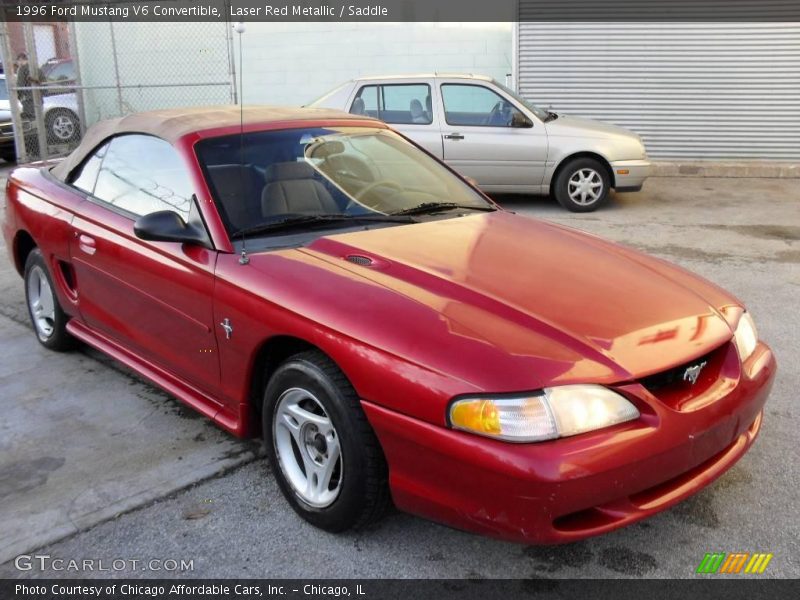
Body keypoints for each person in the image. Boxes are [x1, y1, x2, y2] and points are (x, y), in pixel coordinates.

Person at [15, 53, 37, 119]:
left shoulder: (22, 69)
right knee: (37, 116)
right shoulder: (34, 67)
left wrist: (18, 96)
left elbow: (20, 85)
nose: (19, 63)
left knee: (29, 117)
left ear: (21, 60)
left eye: (19, 61)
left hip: (27, 97)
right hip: (36, 96)